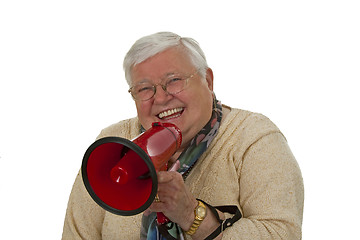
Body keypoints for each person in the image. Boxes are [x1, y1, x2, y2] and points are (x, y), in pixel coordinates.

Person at [62, 31, 304, 240]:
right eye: (145, 88)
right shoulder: (113, 144)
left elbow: (281, 233)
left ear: (208, 81)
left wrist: (192, 215)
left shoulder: (254, 138)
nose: (161, 97)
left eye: (174, 80)